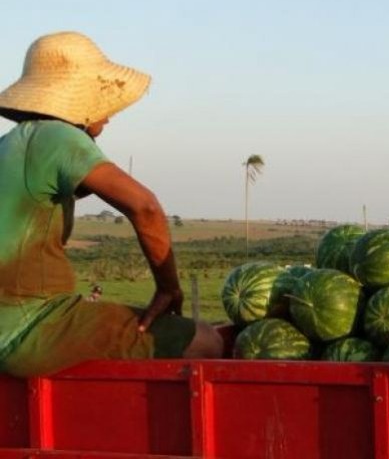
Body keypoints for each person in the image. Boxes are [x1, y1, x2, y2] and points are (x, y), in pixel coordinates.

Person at [0, 31, 223, 377]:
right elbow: (144, 207)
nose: (110, 113)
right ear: (80, 99)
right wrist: (168, 288)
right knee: (205, 340)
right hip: (30, 326)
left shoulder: (10, 145)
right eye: (102, 98)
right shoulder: (58, 137)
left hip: (9, 322)